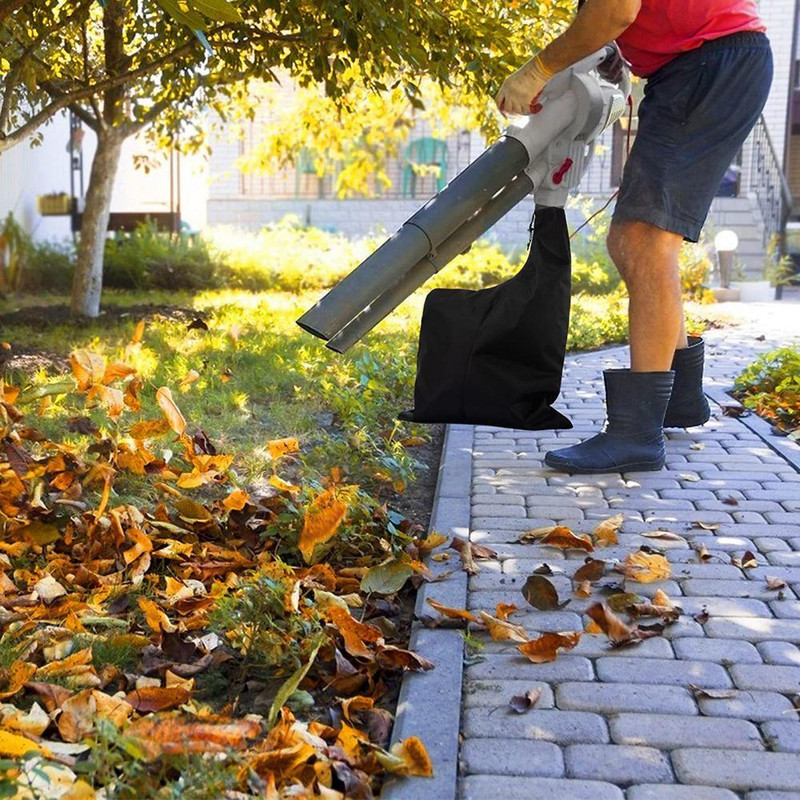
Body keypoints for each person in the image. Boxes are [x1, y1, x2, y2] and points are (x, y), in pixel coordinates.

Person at [495, 0, 773, 474]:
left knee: (644, 241)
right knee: (632, 243)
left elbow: (615, 11)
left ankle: (636, 434)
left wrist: (535, 69)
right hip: (702, 65)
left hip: (708, 62)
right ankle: (680, 398)